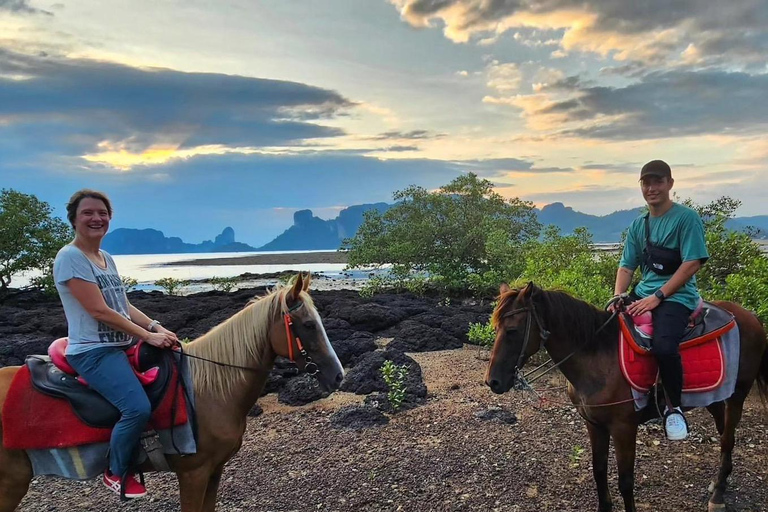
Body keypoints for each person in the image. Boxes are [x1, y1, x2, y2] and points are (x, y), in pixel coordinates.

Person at [53, 189, 178, 498]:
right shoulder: (70, 257)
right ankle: (116, 472)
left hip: (121, 346)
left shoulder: (105, 257)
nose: (96, 218)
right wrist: (147, 337)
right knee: (136, 407)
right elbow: (98, 310)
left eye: (102, 213)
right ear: (74, 219)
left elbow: (121, 305)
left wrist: (154, 325)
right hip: (94, 352)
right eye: (88, 213)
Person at [611, 160, 709, 441]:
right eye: (646, 182)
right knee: (608, 327)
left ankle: (673, 407)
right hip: (644, 293)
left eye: (658, 182)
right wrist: (619, 295)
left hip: (677, 297)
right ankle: (629, 395)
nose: (651, 188)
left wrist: (658, 296)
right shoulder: (638, 225)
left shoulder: (686, 219)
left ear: (670, 184)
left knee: (665, 347)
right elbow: (627, 266)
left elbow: (692, 263)